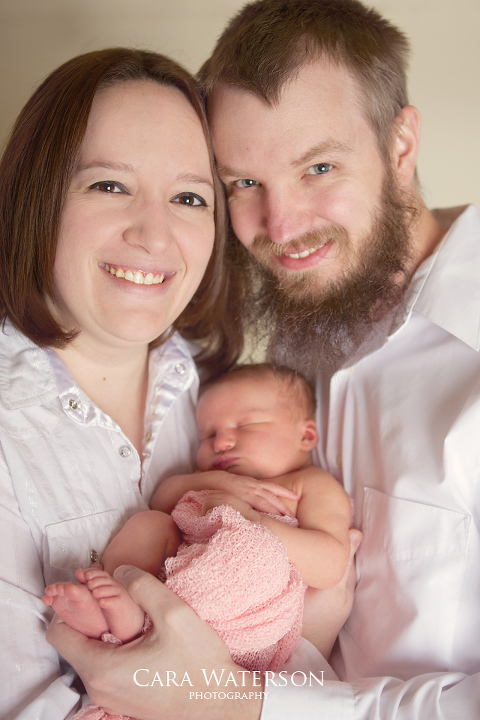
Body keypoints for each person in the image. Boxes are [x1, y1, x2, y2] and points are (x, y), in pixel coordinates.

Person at [48, 1, 480, 719]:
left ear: (400, 144)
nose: (278, 228)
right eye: (243, 183)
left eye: (318, 167)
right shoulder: (290, 343)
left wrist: (233, 703)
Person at [0, 46, 237, 720]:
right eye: (109, 185)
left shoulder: (224, 401)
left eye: (189, 197)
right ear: (36, 199)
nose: (154, 234)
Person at [43, 364, 351, 673]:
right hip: (170, 584)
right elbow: (162, 498)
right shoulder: (210, 477)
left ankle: (138, 628)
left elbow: (330, 564)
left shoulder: (309, 484)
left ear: (306, 435)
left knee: (259, 556)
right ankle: (120, 609)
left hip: (243, 621)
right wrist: (222, 483)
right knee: (149, 523)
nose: (220, 443)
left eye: (245, 426)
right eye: (208, 435)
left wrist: (253, 519)